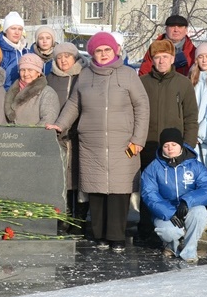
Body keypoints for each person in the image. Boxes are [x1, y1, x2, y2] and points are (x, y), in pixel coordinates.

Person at [48, 32, 149, 252]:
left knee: (119, 191)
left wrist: (138, 138)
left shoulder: (128, 75)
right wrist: (60, 125)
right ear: (92, 53)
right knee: (96, 191)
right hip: (91, 143)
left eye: (107, 50)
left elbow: (142, 106)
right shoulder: (85, 75)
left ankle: (117, 237)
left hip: (123, 143)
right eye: (98, 51)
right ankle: (100, 235)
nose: (103, 54)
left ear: (115, 51)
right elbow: (74, 104)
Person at [138, 38, 199, 244]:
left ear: (173, 58)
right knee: (149, 190)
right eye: (157, 57)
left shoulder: (183, 84)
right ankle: (146, 229)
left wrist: (187, 147)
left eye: (165, 57)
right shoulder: (143, 83)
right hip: (148, 145)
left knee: (174, 189)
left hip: (174, 149)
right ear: (152, 60)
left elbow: (191, 117)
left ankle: (175, 231)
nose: (162, 61)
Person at [141, 128, 207, 264]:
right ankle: (171, 246)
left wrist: (187, 201)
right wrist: (169, 212)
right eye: (166, 145)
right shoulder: (153, 168)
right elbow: (149, 194)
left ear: (180, 145)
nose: (170, 149)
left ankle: (190, 250)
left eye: (174, 145)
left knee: (200, 213)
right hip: (166, 211)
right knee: (169, 232)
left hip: (188, 207)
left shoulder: (195, 165)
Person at [47, 42, 85, 222]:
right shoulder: (51, 78)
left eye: (67, 56)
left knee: (79, 177)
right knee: (62, 177)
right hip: (58, 133)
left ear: (75, 57)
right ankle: (64, 216)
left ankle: (79, 218)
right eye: (59, 57)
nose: (63, 61)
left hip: (79, 132)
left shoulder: (84, 76)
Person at [5, 53, 60, 125]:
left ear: (38, 73)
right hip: (11, 135)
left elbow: (48, 120)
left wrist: (32, 135)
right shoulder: (11, 91)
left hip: (34, 135)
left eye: (30, 70)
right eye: (23, 70)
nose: (26, 74)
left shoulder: (47, 93)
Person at [190, 43, 207, 168]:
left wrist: (200, 133)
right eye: (201, 57)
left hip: (206, 136)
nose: (204, 60)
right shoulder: (191, 79)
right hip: (192, 136)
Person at [0, 11, 29, 89]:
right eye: (13, 28)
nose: (17, 32)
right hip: (5, 97)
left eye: (20, 29)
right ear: (6, 30)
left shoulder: (27, 51)